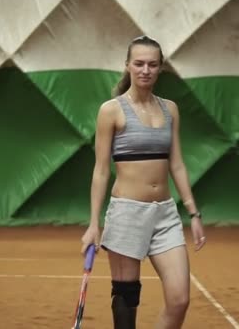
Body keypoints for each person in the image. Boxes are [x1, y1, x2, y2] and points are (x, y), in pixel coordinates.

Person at [80, 35, 207, 329]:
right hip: (127, 213)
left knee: (179, 300)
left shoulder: (170, 109)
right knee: (127, 300)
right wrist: (93, 224)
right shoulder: (111, 110)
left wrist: (194, 213)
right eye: (138, 63)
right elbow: (101, 170)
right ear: (127, 65)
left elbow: (176, 163)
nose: (145, 70)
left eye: (152, 64)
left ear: (160, 67)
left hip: (165, 214)